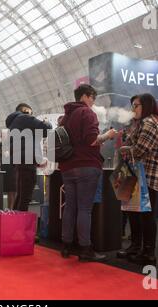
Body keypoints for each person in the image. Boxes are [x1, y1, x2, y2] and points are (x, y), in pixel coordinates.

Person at [59, 84, 117, 262]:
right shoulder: (87, 113)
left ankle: (66, 245)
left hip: (67, 167)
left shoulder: (65, 117)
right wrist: (108, 135)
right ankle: (85, 249)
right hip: (86, 165)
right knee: (85, 209)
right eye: (93, 98)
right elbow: (93, 140)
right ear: (86, 96)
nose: (93, 102)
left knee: (70, 207)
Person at [117, 94, 158, 266]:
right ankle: (135, 246)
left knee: (146, 215)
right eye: (132, 106)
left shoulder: (151, 122)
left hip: (147, 175)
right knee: (132, 212)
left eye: (136, 106)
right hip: (135, 174)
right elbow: (130, 143)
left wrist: (125, 148)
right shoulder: (139, 123)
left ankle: (148, 253)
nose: (133, 109)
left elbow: (140, 149)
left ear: (146, 105)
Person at [5, 103, 52, 211]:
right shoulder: (24, 117)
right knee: (25, 196)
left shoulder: (14, 122)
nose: (32, 115)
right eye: (32, 112)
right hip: (28, 161)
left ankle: (15, 221)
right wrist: (46, 122)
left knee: (21, 194)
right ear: (26, 110)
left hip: (20, 161)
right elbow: (46, 129)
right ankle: (21, 225)